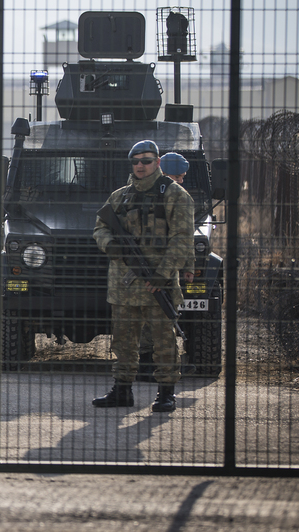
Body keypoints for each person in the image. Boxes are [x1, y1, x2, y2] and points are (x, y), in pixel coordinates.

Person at [92, 140, 193, 412]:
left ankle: (166, 393)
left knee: (164, 342)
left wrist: (162, 274)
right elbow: (100, 227)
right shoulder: (120, 196)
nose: (140, 165)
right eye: (135, 161)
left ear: (158, 162)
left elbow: (182, 239)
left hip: (157, 285)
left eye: (146, 160)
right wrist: (110, 244)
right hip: (123, 285)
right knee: (123, 342)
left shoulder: (176, 195)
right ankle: (122, 391)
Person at [137, 151, 196, 380]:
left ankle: (153, 364)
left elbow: (184, 236)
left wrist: (188, 266)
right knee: (151, 318)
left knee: (163, 315)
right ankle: (146, 364)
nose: (181, 181)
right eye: (178, 176)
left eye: (182, 177)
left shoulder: (176, 197)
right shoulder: (145, 194)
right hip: (151, 267)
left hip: (163, 268)